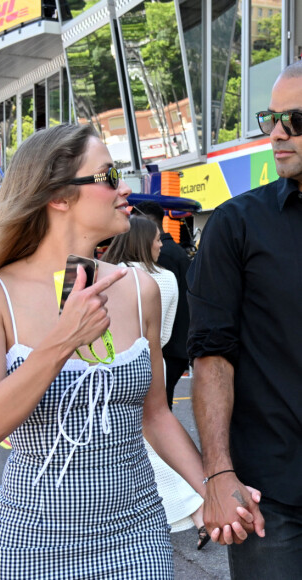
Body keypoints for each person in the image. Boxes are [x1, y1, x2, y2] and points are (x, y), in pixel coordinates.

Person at [0, 124, 244, 578]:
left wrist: (213, 488)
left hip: (135, 536)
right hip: (33, 541)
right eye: (108, 176)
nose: (124, 187)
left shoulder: (138, 288)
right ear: (58, 196)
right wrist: (62, 340)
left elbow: (156, 415)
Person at [187, 62, 302, 577]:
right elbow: (212, 355)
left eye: (294, 120)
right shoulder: (236, 224)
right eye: (271, 118)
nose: (276, 133)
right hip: (270, 495)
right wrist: (218, 472)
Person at [103, 215, 208, 550]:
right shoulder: (163, 278)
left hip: (110, 364)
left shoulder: (103, 274)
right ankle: (198, 507)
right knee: (154, 436)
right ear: (142, 240)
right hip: (154, 360)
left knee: (144, 440)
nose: (162, 244)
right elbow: (160, 335)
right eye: (157, 239)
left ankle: (195, 507)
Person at [133, 200, 191, 407]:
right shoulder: (174, 252)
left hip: (166, 350)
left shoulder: (161, 258)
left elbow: (157, 325)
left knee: (156, 411)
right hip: (175, 347)